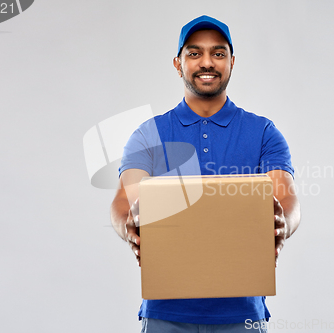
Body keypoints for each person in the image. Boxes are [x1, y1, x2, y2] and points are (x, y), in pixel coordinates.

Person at [110, 15, 301, 333]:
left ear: (231, 61)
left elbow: (286, 197)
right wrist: (127, 224)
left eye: (218, 53)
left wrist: (284, 223)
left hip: (242, 314)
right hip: (164, 314)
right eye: (194, 53)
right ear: (178, 63)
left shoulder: (263, 131)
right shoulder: (150, 133)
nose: (207, 63)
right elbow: (123, 199)